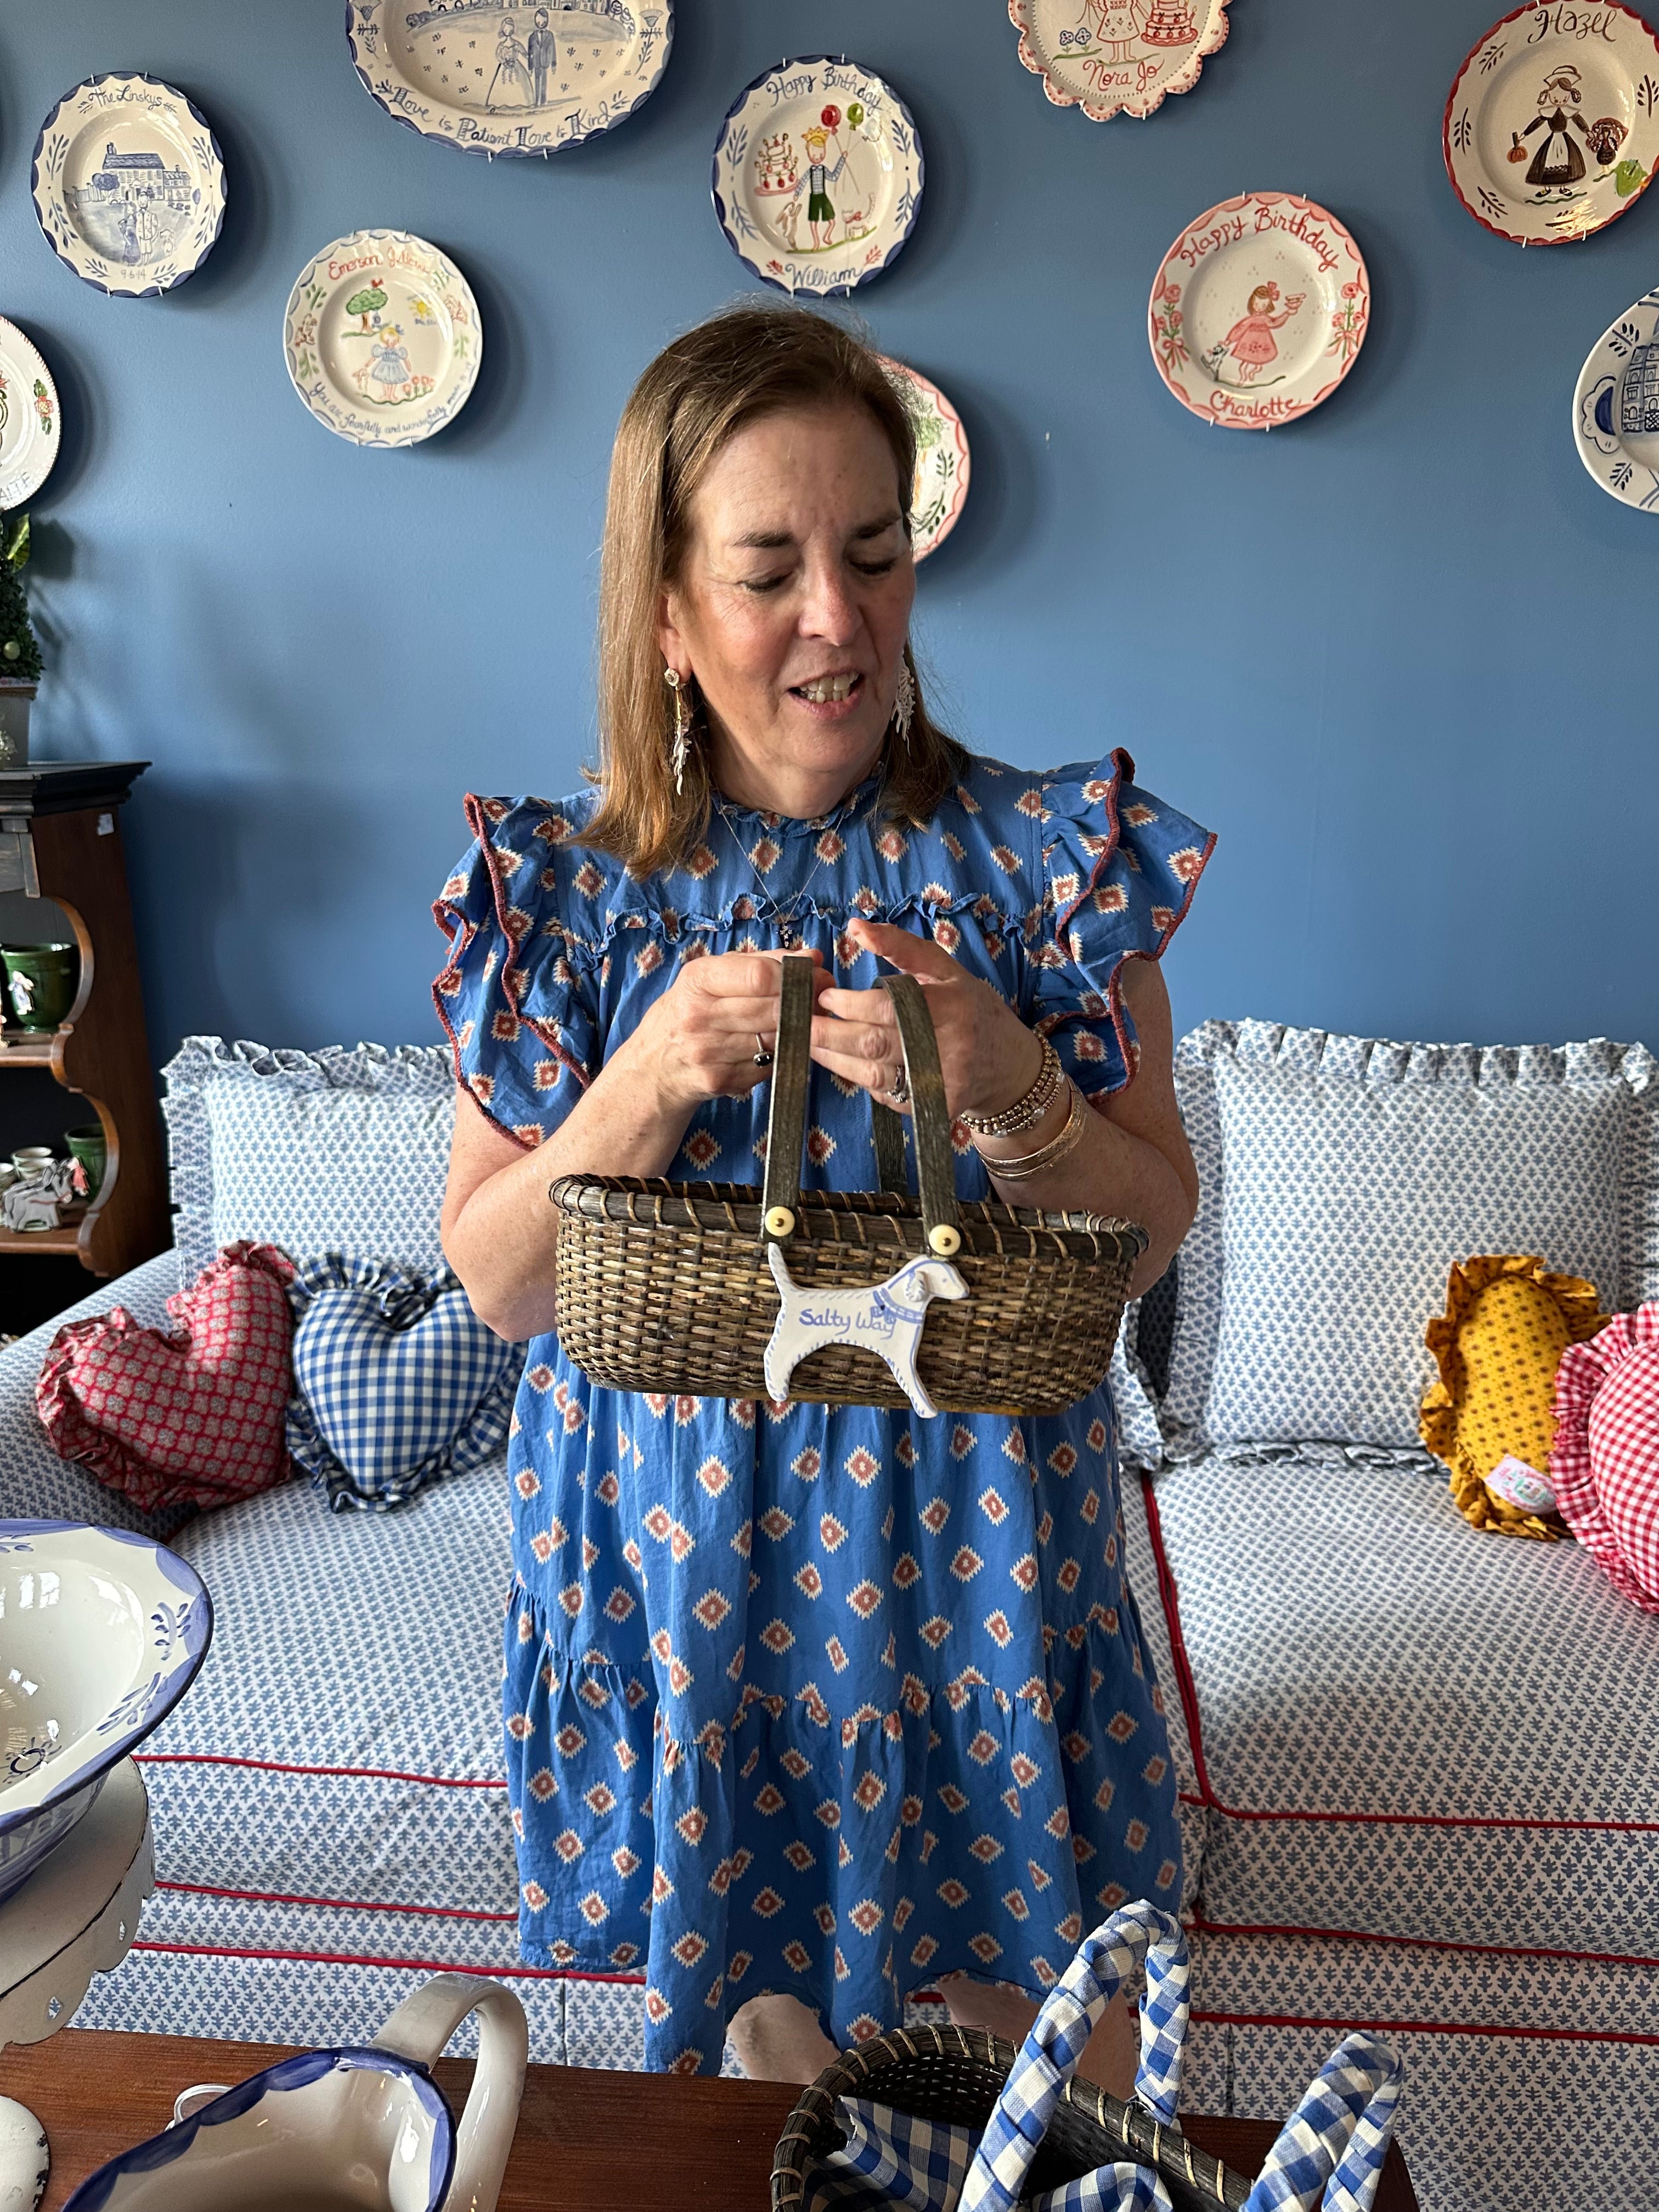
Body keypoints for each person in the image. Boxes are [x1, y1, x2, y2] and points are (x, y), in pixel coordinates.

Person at [436, 302, 1214, 2084]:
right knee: (763, 2106)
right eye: (767, 569)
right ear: (663, 608)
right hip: (696, 1608)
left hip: (984, 1590)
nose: (838, 621)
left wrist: (1008, 1083)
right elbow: (501, 1280)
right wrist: (647, 1079)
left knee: (1053, 2099)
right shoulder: (563, 899)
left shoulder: (1042, 869)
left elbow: (1149, 1229)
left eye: (872, 555)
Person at [1217, 281, 1304, 385]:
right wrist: (1229, 341)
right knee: (1244, 365)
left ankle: (1252, 373)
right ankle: (1242, 379)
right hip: (1248, 345)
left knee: (1259, 366)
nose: (1259, 307)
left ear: (1268, 305)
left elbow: (1275, 323)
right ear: (1252, 303)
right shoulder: (1250, 320)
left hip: (1262, 345)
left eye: (1263, 305)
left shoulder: (1265, 319)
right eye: (1256, 304)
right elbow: (1240, 329)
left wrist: (1287, 314)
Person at [527, 8, 555, 106]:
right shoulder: (532, 37)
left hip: (545, 62)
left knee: (544, 82)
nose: (541, 24)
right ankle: (537, 100)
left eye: (544, 22)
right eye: (539, 22)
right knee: (537, 81)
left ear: (547, 21)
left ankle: (543, 100)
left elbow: (553, 50)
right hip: (536, 63)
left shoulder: (550, 35)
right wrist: (530, 67)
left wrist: (554, 64)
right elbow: (530, 52)